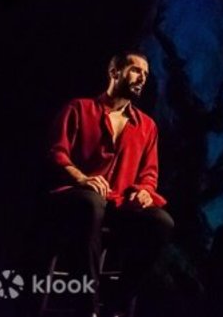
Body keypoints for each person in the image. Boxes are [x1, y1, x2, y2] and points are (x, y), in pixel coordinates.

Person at [46, 51, 174, 317]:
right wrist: (82, 178)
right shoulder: (79, 109)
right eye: (136, 70)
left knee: (162, 222)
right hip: (77, 199)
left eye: (146, 74)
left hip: (118, 205)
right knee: (92, 202)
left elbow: (149, 173)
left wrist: (145, 192)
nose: (142, 78)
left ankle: (115, 304)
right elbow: (56, 153)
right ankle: (87, 307)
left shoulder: (147, 126)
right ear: (114, 72)